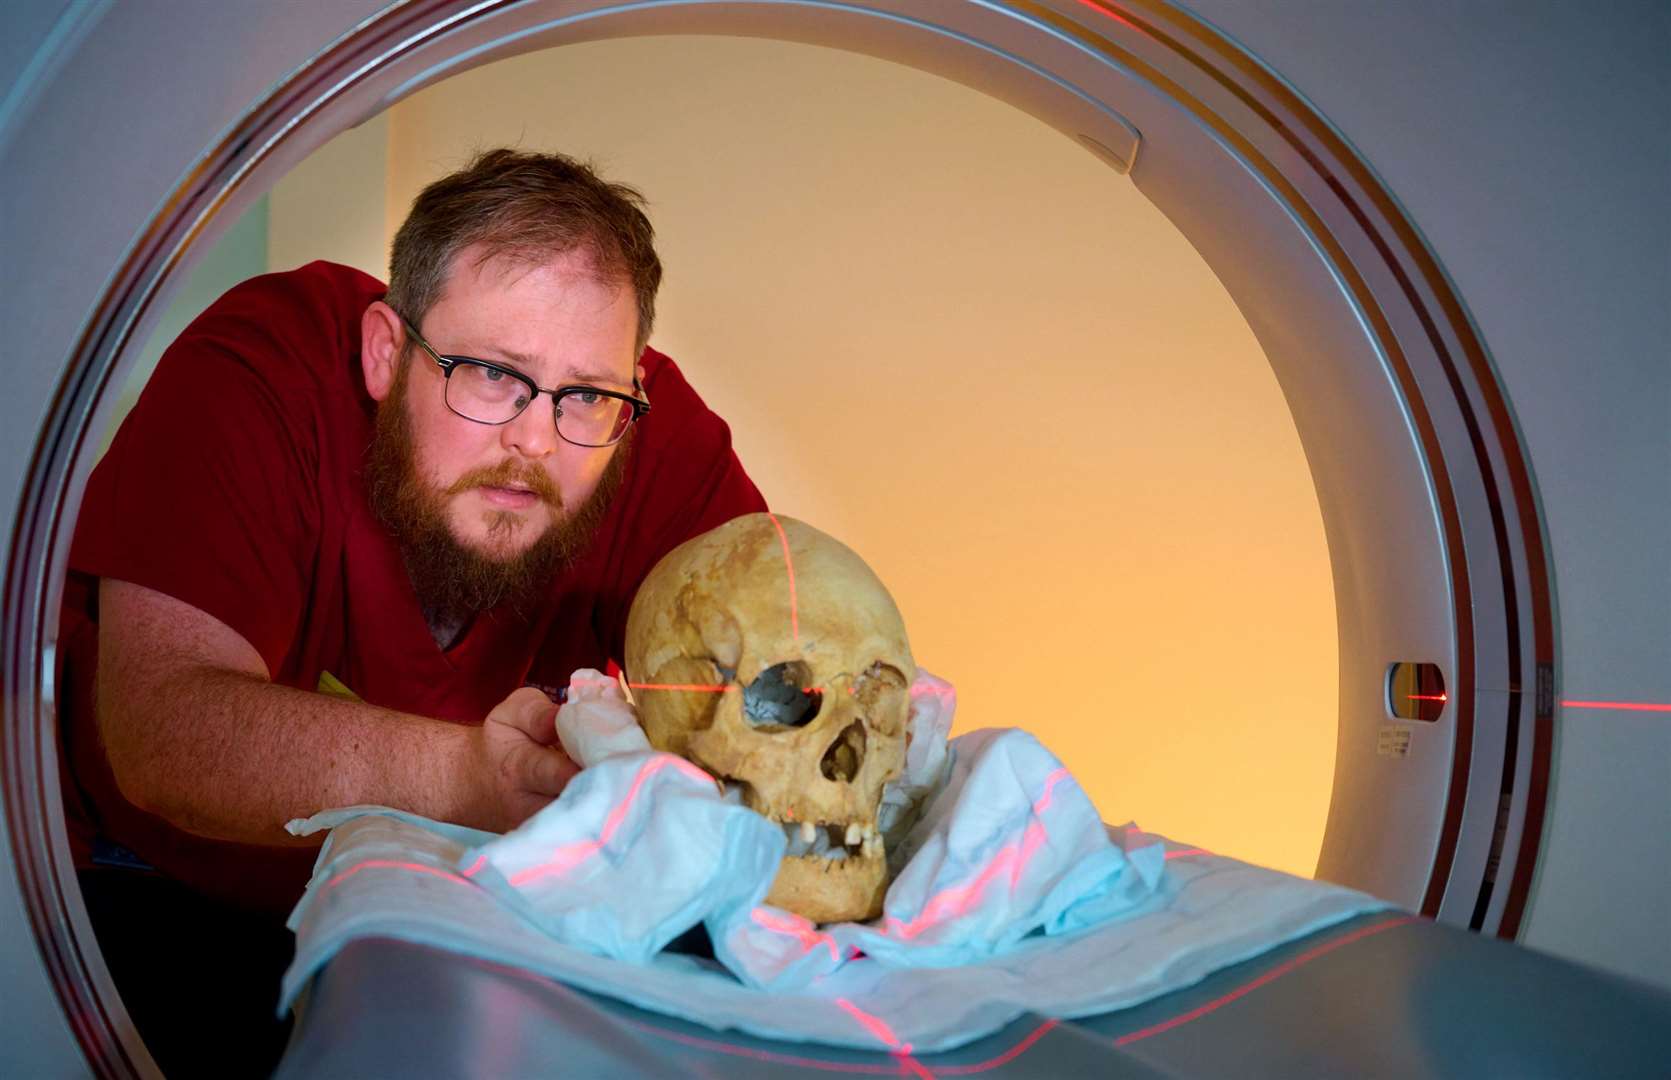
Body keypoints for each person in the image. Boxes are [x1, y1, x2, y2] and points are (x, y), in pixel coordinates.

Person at [55, 148, 766, 1075]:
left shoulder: (641, 430)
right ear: (386, 351)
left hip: (455, 913)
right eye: (488, 373)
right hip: (147, 890)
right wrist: (476, 774)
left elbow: (787, 666)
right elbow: (159, 728)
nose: (534, 438)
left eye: (585, 392)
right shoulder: (259, 366)